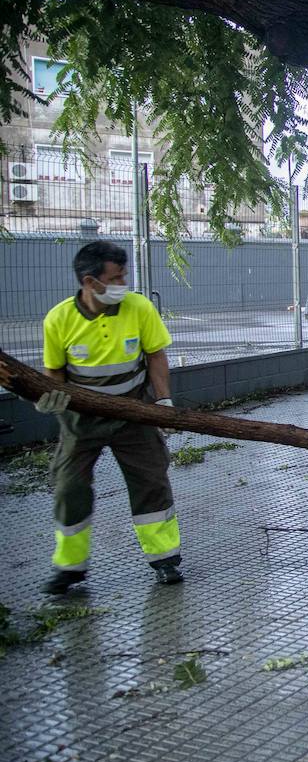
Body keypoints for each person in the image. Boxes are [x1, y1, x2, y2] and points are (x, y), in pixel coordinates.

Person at [33, 241, 184, 594]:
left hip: (133, 411)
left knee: (151, 481)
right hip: (80, 419)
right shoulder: (59, 319)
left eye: (125, 275)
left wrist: (163, 402)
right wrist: (50, 399)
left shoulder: (138, 308)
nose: (124, 283)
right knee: (69, 487)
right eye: (117, 277)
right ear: (90, 282)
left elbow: (156, 356)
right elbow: (54, 373)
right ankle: (71, 568)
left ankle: (165, 560)